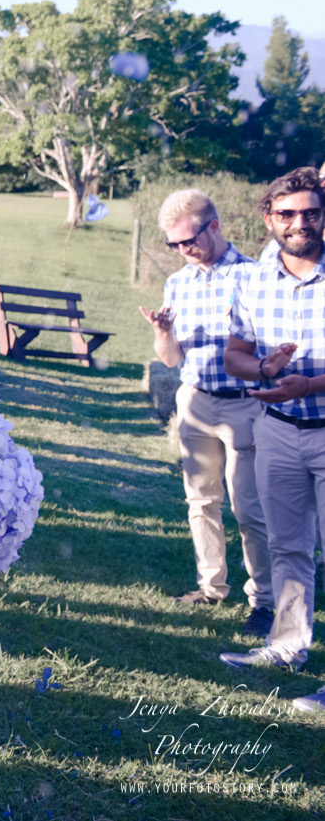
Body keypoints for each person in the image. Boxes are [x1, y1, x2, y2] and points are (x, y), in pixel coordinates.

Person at [138, 189, 272, 636]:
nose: (182, 250)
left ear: (213, 226)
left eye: (188, 240)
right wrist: (162, 333)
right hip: (194, 400)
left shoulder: (255, 276)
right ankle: (212, 586)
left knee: (249, 507)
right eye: (173, 244)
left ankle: (265, 601)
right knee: (200, 500)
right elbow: (171, 359)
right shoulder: (178, 283)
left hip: (246, 404)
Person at [218, 168, 325, 691]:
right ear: (268, 218)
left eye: (311, 213)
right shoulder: (251, 280)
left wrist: (309, 385)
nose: (299, 223)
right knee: (287, 546)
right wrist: (263, 368)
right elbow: (234, 355)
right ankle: (286, 646)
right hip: (278, 430)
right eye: (287, 214)